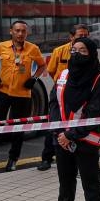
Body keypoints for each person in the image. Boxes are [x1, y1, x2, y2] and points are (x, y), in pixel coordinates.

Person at [40, 38, 100, 201]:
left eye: (82, 51)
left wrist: (70, 135)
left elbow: (94, 112)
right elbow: (54, 102)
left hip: (86, 139)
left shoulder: (98, 78)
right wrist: (58, 131)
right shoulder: (63, 74)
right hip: (62, 137)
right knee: (65, 178)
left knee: (90, 181)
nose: (77, 54)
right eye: (74, 50)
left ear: (92, 54)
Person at [0, 20, 46, 171]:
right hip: (3, 92)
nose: (20, 33)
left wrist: (34, 78)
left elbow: (42, 65)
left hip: (22, 94)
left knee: (18, 128)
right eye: (17, 30)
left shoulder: (33, 49)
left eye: (23, 31)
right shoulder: (1, 46)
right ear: (11, 31)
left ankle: (13, 159)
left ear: (26, 33)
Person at [38, 24, 90, 171]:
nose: (83, 38)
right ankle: (47, 158)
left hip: (80, 95)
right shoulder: (59, 51)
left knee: (77, 125)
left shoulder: (89, 52)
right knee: (55, 125)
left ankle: (75, 155)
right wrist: (61, 87)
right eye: (80, 36)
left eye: (86, 35)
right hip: (60, 93)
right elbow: (51, 70)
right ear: (71, 37)